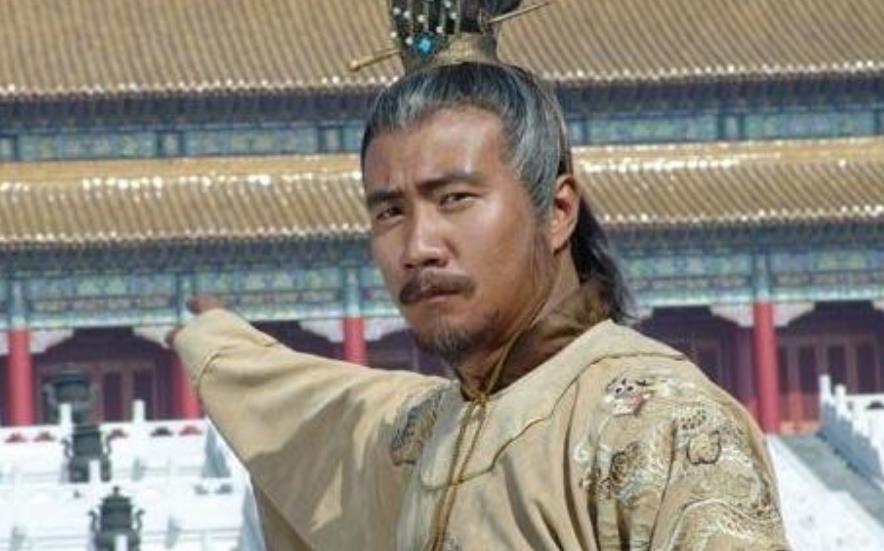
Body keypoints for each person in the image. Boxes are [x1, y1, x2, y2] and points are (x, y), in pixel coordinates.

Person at [171, 1, 790, 549]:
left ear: (557, 211)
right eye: (390, 212)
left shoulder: (657, 423)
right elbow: (307, 408)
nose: (418, 246)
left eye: (456, 199)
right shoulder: (431, 431)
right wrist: (215, 338)